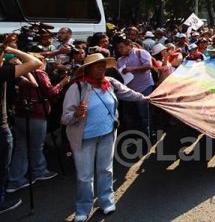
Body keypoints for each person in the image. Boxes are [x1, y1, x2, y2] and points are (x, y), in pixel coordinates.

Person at [61, 53, 149, 221]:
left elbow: (128, 93)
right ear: (88, 69)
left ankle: (106, 201)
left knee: (106, 170)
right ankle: (83, 208)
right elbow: (65, 118)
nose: (101, 69)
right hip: (84, 138)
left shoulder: (110, 83)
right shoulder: (77, 87)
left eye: (103, 65)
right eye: (97, 66)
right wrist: (76, 114)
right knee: (84, 176)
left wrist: (144, 98)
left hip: (108, 134)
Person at [6, 55, 68, 194]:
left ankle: (15, 179)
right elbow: (50, 92)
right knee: (36, 146)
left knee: (21, 148)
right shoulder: (39, 74)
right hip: (37, 114)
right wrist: (62, 83)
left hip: (20, 113)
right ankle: (39, 170)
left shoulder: (17, 73)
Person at [0, 44, 42, 215]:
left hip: (9, 120)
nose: (3, 59)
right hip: (1, 128)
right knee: (2, 167)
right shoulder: (2, 72)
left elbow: (31, 82)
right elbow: (34, 62)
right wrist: (12, 49)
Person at [115, 39, 154, 137]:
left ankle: (147, 135)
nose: (120, 50)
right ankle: (135, 135)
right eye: (118, 48)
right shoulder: (120, 60)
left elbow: (149, 65)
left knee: (143, 113)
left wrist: (132, 69)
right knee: (132, 114)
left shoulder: (140, 53)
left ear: (129, 45)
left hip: (145, 87)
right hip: (130, 91)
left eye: (122, 47)